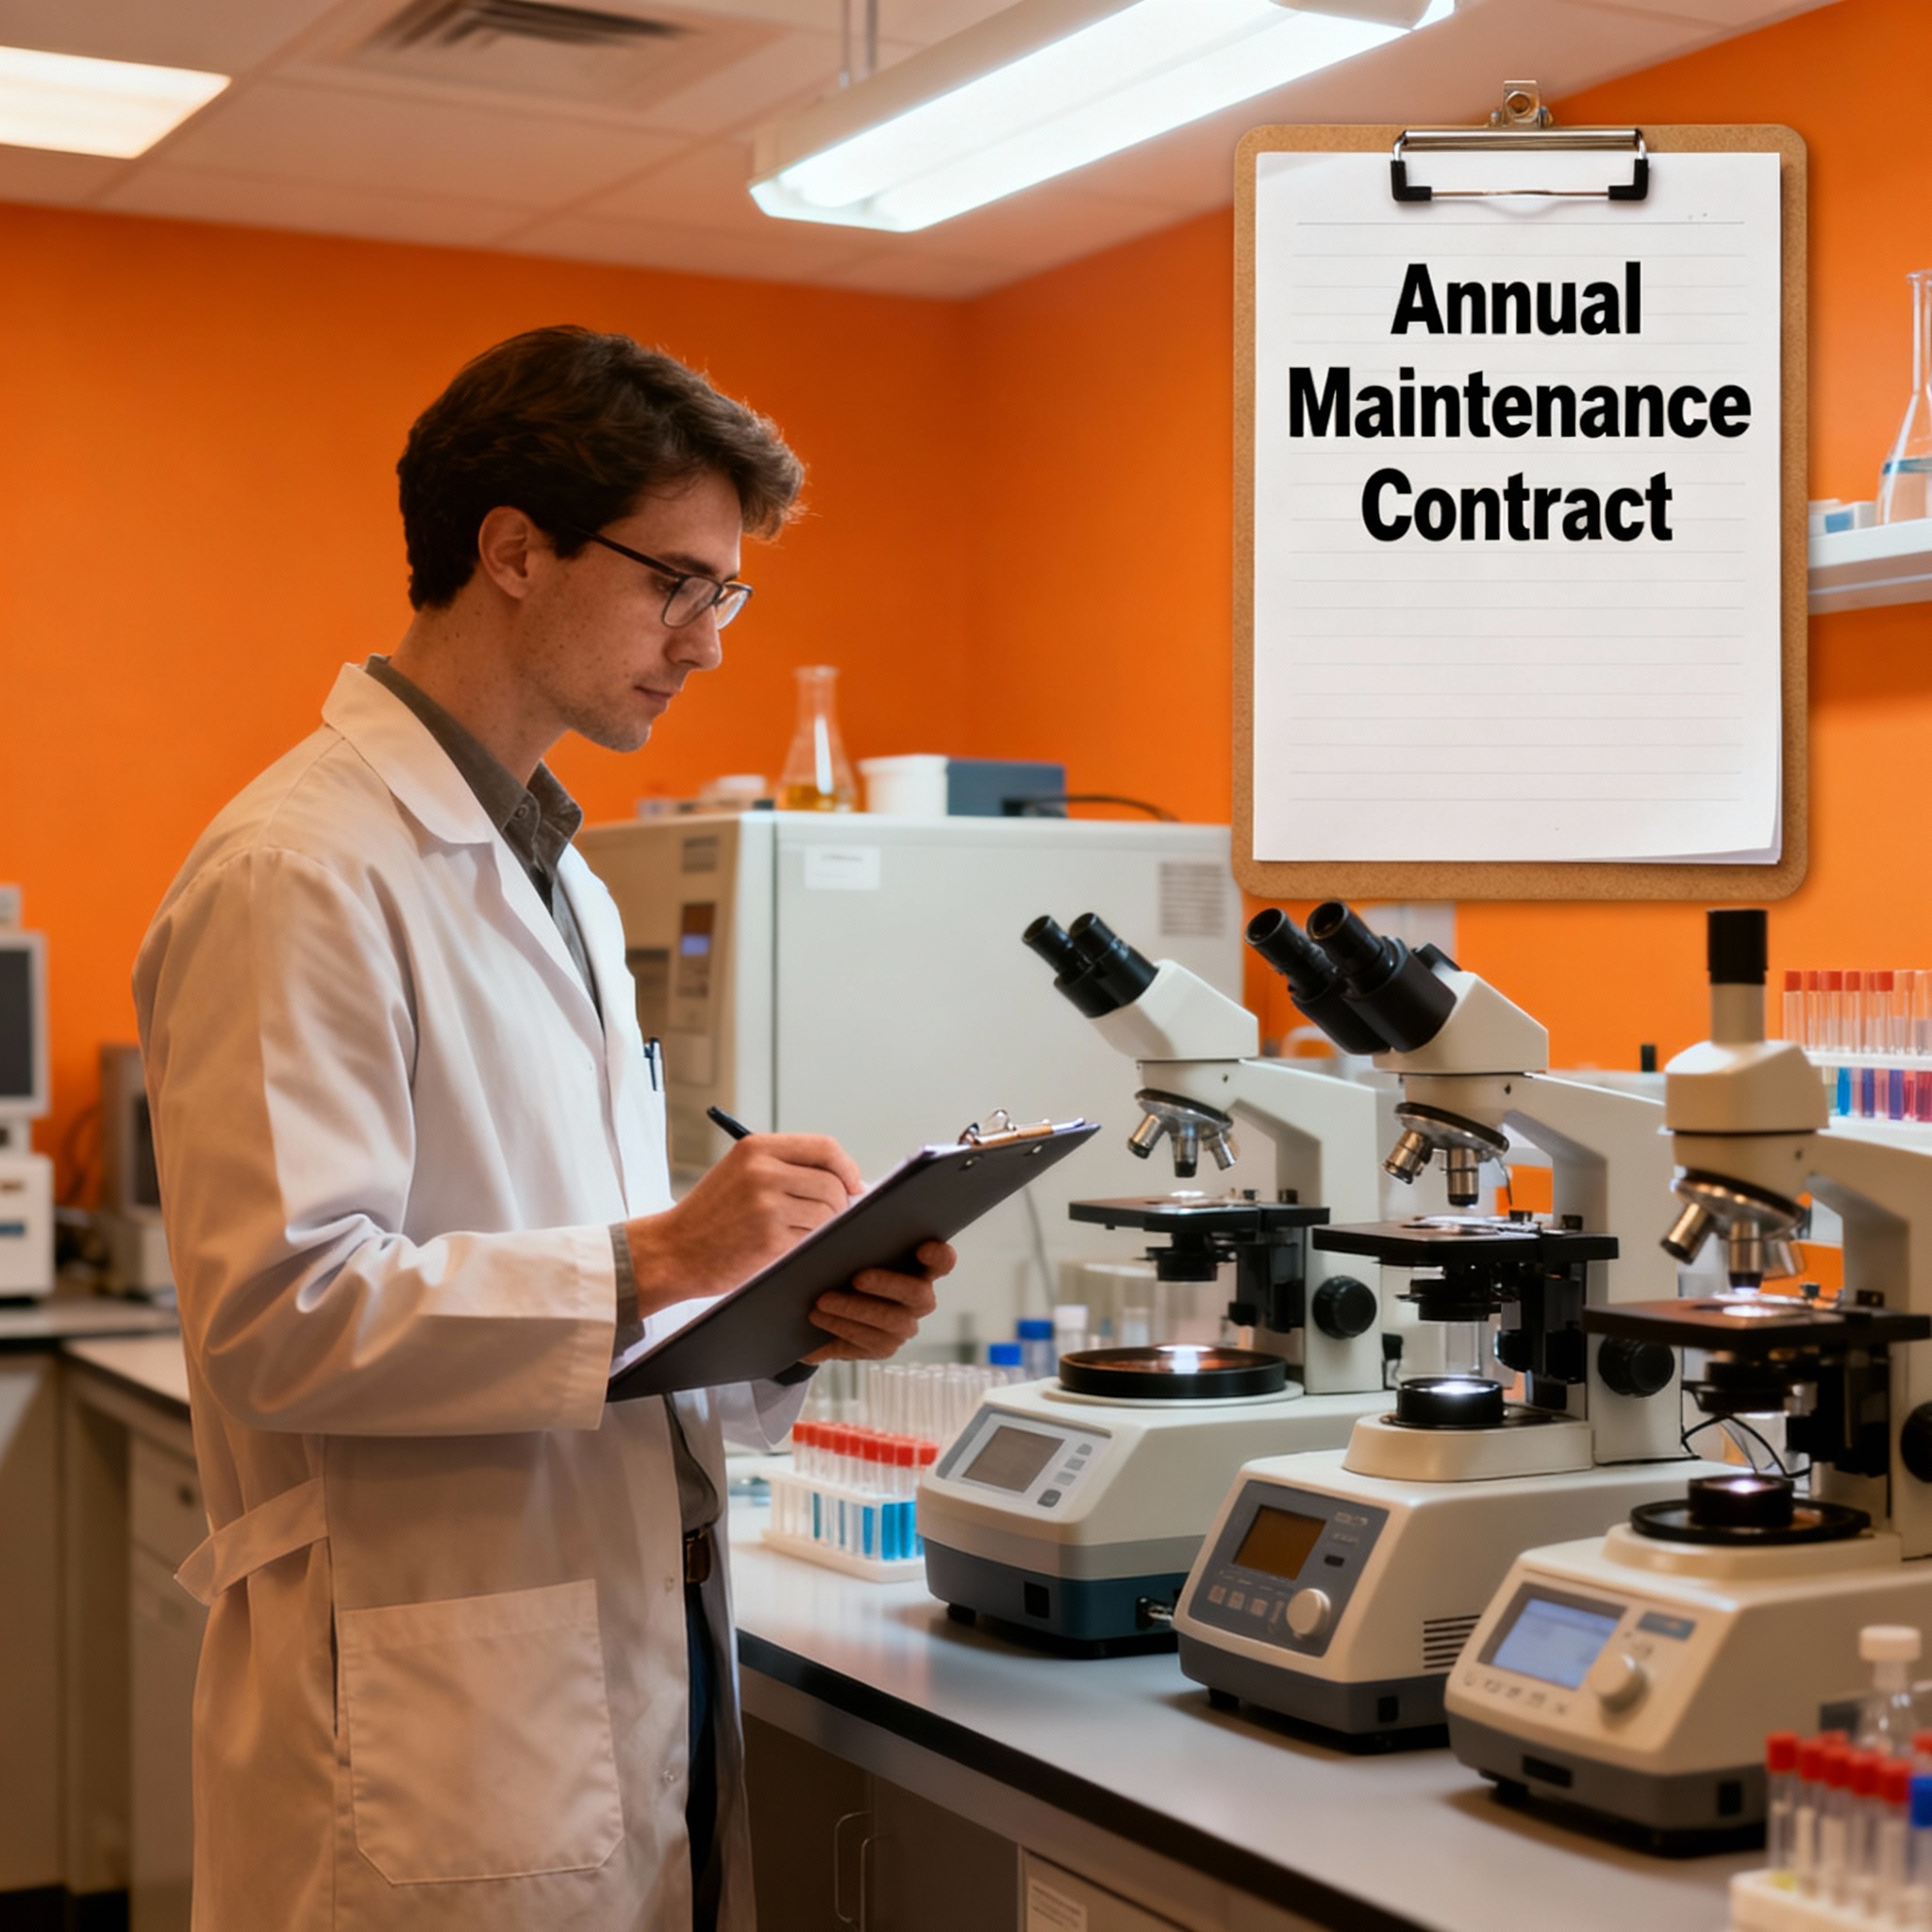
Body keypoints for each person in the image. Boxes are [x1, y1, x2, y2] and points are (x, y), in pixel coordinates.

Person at [134, 325, 952, 1932]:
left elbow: (576, 1283)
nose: (705, 643)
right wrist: (667, 1253)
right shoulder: (297, 870)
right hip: (433, 1714)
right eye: (677, 584)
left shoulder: (562, 874)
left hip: (624, 1658)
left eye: (725, 596)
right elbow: (279, 1323)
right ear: (513, 551)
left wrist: (781, 1313)